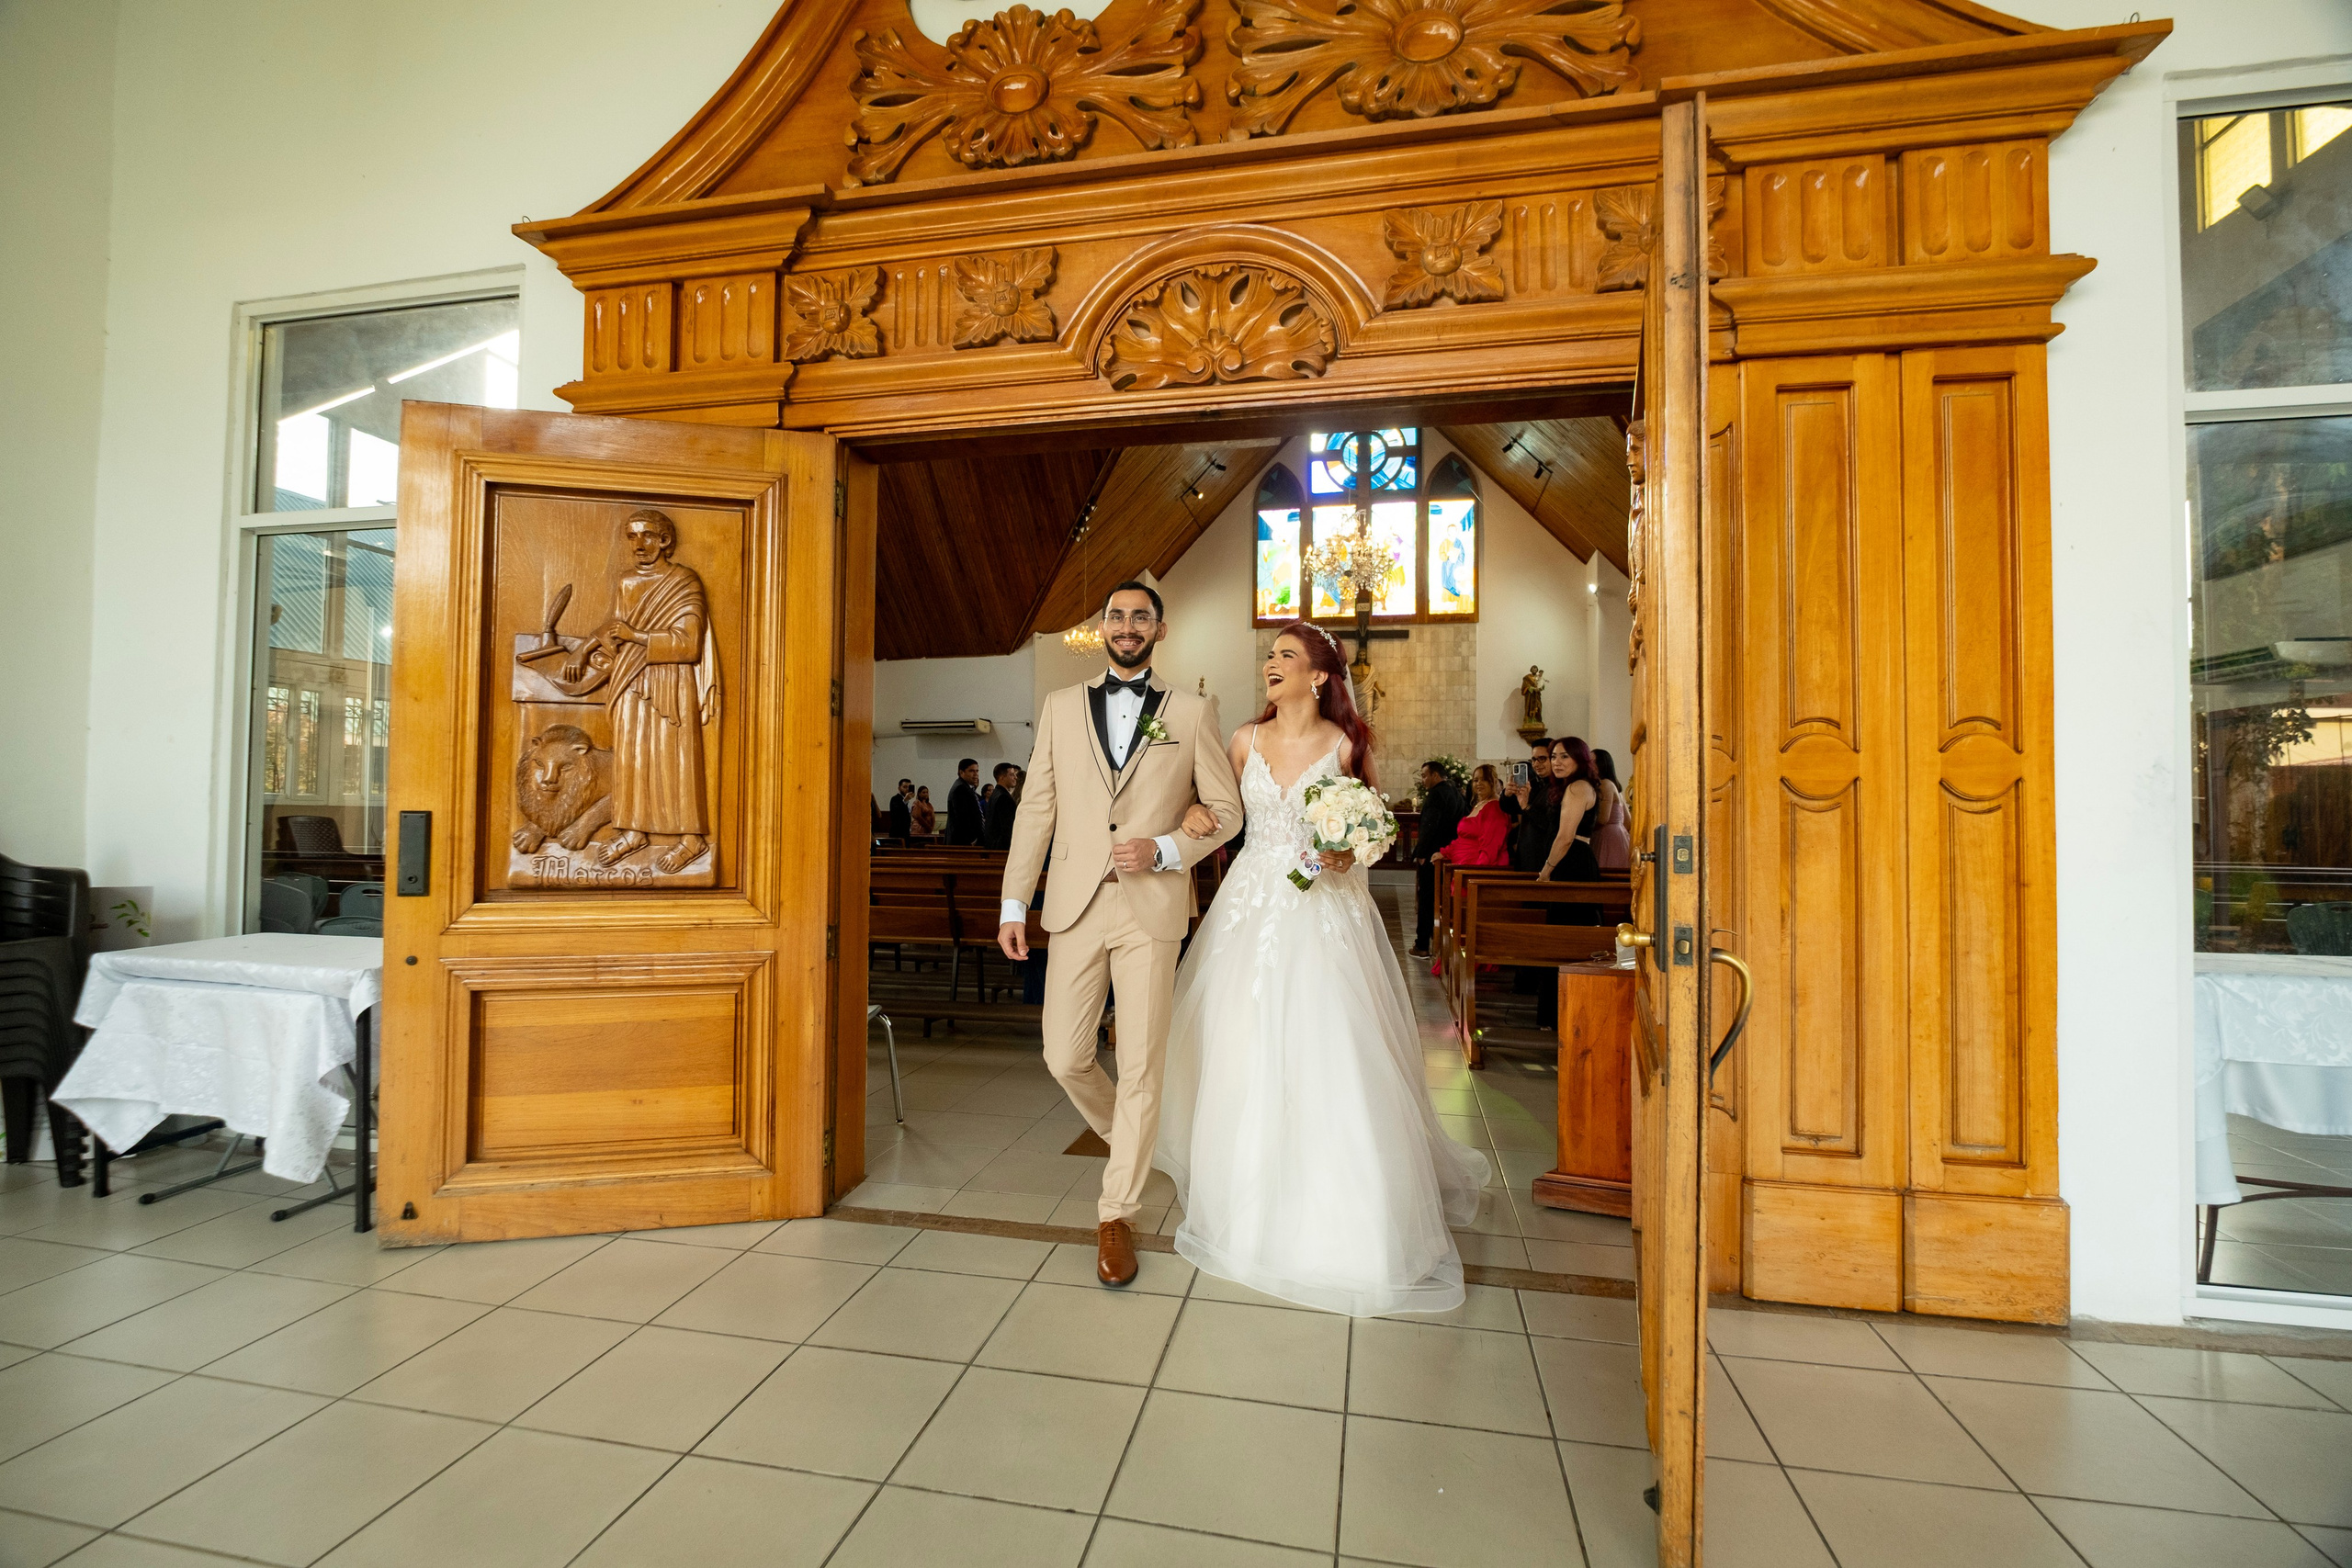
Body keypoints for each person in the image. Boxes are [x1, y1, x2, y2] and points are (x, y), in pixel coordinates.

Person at [1154, 619, 1491, 1315]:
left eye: (1285, 655)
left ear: (1318, 676)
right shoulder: (1244, 738)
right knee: (1241, 1039)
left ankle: (1344, 1210)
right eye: (1269, 654)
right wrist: (1190, 816)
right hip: (1249, 905)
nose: (1269, 663)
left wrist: (1345, 852)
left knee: (1325, 1044)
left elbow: (1372, 829)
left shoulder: (1345, 745)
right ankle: (1245, 1195)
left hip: (1322, 909)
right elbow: (1215, 805)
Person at [997, 581, 1243, 1287]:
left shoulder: (1193, 710)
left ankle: (1117, 1211)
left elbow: (1224, 810)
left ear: (1159, 630)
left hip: (1152, 907)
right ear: (1102, 626)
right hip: (1074, 904)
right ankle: (1135, 1140)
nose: (1127, 626)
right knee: (1065, 1054)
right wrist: (1015, 903)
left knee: (1140, 1063)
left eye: (1140, 617)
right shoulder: (1060, 706)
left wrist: (1165, 849)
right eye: (1116, 615)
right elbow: (1036, 809)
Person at [561, 509, 716, 877]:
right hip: (630, 678)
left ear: (665, 540)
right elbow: (615, 626)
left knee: (674, 758)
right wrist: (582, 650)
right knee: (632, 756)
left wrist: (637, 637)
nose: (639, 544)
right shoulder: (627, 582)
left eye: (647, 535)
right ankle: (633, 830)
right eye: (631, 537)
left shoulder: (684, 581)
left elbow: (690, 644)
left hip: (670, 680)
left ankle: (691, 838)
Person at [1408, 760, 1467, 958]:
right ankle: (1439, 943)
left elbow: (1429, 825)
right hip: (1449, 855)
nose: (1423, 780)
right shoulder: (1456, 793)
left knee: (1427, 899)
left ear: (1435, 775)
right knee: (1440, 899)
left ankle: (1422, 944)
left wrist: (1421, 853)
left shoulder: (1436, 794)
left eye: (1425, 775)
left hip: (1433, 855)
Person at [1439, 764, 1511, 869]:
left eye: (1484, 779)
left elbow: (1491, 846)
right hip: (1463, 866)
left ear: (1494, 781)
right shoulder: (1480, 804)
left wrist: (1478, 871)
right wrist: (1445, 853)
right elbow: (1463, 838)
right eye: (1476, 780)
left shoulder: (1495, 807)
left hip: (1478, 869)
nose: (1479, 783)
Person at [1506, 737, 1558, 874]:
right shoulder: (1535, 784)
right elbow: (1509, 808)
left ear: (1553, 758)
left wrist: (1526, 806)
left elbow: (1550, 824)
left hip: (1543, 854)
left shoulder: (1559, 788)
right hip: (1528, 853)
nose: (1536, 764)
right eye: (1534, 759)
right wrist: (1507, 794)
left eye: (1542, 758)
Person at [1591, 748, 1630, 871]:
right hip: (1618, 835)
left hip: (1606, 837)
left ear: (1600, 765)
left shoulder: (1605, 784)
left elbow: (1602, 819)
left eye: (1591, 761)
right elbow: (1628, 822)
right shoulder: (1614, 786)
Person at [945, 758, 985, 846]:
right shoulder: (960, 788)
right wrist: (972, 839)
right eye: (971, 771)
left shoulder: (966, 787)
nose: (976, 774)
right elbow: (962, 817)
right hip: (963, 841)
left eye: (977, 771)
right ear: (961, 772)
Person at [984, 762, 1020, 851]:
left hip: (994, 844)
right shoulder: (1003, 797)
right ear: (1002, 777)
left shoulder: (996, 793)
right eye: (1011, 775)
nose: (1015, 777)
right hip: (1001, 847)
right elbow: (1007, 827)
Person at [887, 778, 913, 843]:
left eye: (909, 787)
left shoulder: (907, 801)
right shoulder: (895, 799)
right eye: (904, 787)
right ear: (899, 788)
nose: (907, 789)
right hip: (897, 832)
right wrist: (905, 801)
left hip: (906, 832)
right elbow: (896, 814)